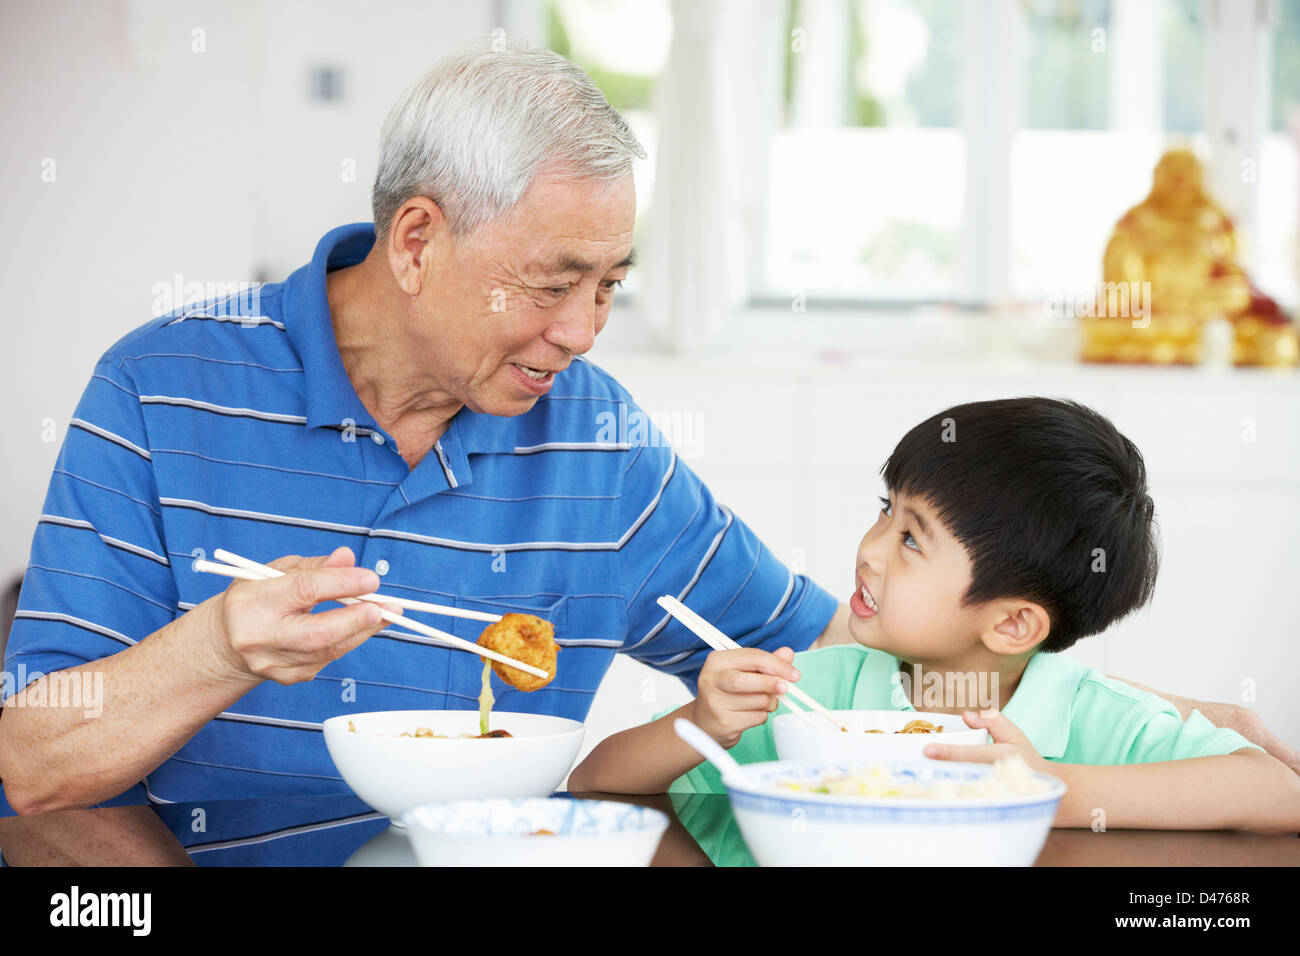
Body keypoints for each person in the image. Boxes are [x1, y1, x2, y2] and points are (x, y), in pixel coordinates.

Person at [0, 40, 1283, 816]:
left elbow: (836, 653)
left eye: (611, 284)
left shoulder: (598, 441)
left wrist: (1161, 710)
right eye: (552, 283)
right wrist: (218, 647)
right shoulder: (161, 391)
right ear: (417, 240)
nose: (584, 330)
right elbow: (39, 765)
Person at [568, 398, 1300, 835]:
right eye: (885, 512)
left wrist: (1052, 788)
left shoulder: (1089, 714)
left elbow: (1280, 791)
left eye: (913, 539)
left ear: (1012, 626)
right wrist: (702, 720)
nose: (870, 551)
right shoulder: (813, 690)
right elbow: (596, 783)